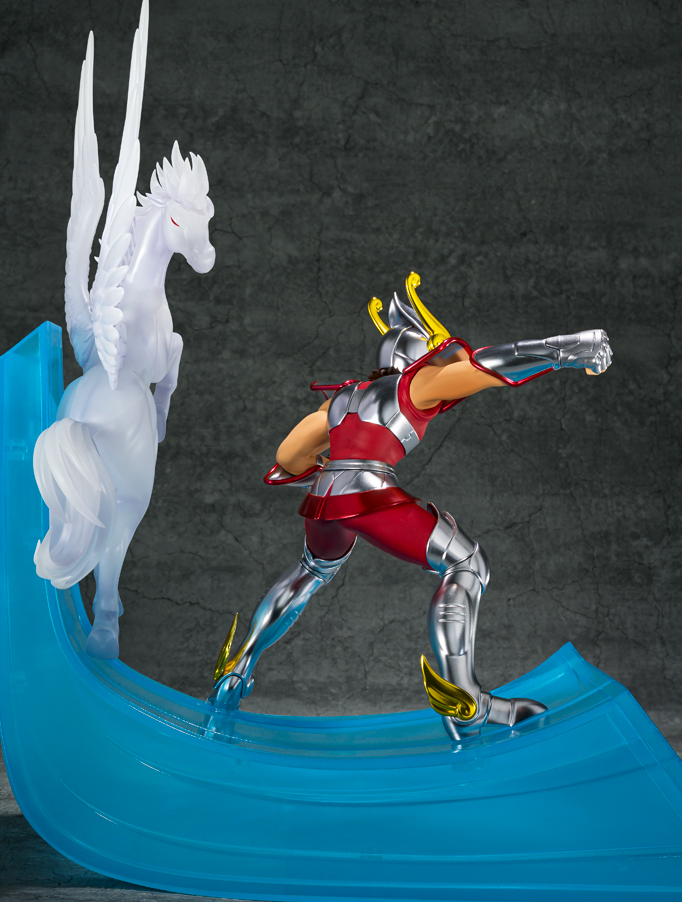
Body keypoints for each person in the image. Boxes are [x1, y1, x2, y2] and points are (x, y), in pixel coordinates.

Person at [209, 273, 612, 740]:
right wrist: (569, 348)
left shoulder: (341, 400)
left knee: (310, 571)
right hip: (367, 490)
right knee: (467, 563)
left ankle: (239, 667)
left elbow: (289, 456)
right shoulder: (413, 385)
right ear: (417, 359)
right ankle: (468, 706)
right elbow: (485, 367)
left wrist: (333, 467)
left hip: (324, 494)